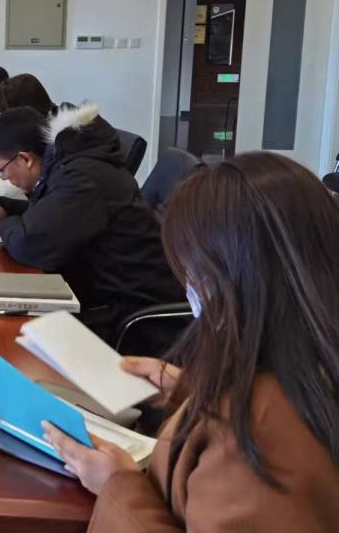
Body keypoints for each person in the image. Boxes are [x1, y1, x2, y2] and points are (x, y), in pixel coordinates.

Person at [43, 153, 339, 531]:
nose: (189, 286)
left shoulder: (256, 432)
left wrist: (118, 485)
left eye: (194, 270)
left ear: (235, 276)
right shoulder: (304, 369)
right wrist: (191, 391)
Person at [0, 105, 182, 342]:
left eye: (2, 171)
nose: (6, 179)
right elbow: (54, 216)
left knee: (8, 338)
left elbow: (32, 244)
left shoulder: (82, 177)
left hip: (132, 315)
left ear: (25, 159)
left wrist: (3, 226)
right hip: (104, 294)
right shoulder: (70, 164)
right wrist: (6, 211)